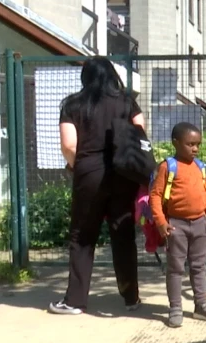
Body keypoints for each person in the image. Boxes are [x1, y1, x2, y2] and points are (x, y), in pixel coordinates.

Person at [49, 56, 142, 315]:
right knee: (123, 235)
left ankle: (75, 301)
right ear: (112, 74)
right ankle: (131, 297)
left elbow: (69, 146)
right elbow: (140, 133)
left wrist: (74, 165)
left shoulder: (73, 104)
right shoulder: (127, 102)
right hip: (123, 174)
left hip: (89, 174)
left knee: (83, 236)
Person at [148, 122, 206, 328]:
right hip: (176, 226)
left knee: (199, 267)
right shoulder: (167, 167)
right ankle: (175, 308)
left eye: (197, 144)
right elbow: (155, 196)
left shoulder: (200, 167)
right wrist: (161, 222)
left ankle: (201, 306)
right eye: (190, 144)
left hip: (199, 224)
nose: (195, 148)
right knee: (176, 269)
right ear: (176, 143)